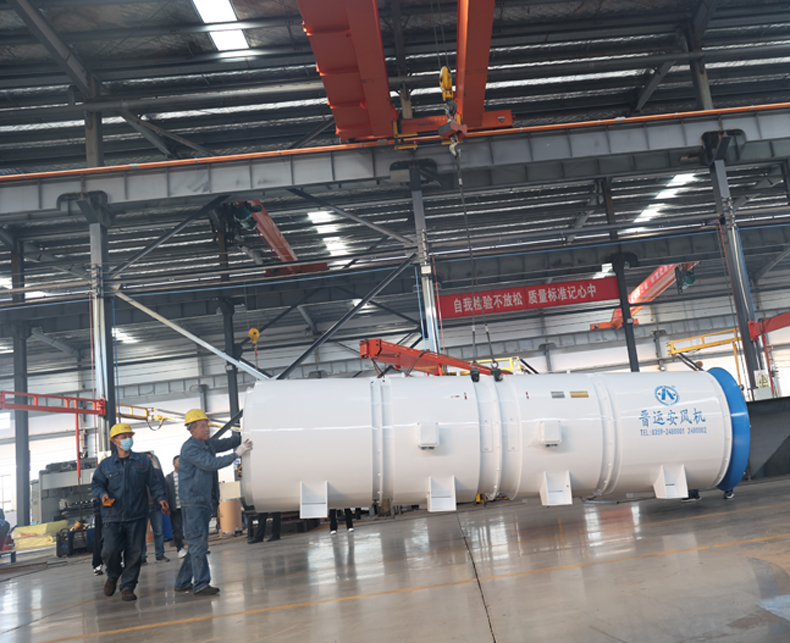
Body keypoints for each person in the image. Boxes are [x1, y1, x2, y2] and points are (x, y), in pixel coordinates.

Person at [174, 409, 252, 596]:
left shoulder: (206, 444)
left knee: (196, 544)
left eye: (207, 425)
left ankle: (182, 582)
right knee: (198, 544)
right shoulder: (190, 448)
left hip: (203, 501)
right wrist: (236, 454)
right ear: (192, 430)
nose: (207, 429)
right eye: (202, 426)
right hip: (193, 502)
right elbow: (211, 463)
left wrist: (246, 435)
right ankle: (201, 584)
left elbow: (225, 443)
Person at [91, 423, 169, 602]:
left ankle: (128, 587)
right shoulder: (106, 465)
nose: (127, 439)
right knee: (109, 551)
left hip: (137, 515)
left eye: (129, 436)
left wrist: (161, 498)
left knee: (134, 553)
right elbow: (96, 484)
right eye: (123, 437)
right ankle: (113, 574)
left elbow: (154, 483)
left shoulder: (142, 461)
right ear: (114, 441)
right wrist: (102, 495)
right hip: (112, 516)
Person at [141, 453, 169, 564]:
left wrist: (164, 501)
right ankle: (142, 556)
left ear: (152, 460)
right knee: (141, 533)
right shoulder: (138, 473)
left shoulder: (157, 473)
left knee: (158, 532)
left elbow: (163, 487)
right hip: (141, 508)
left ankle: (160, 554)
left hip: (155, 506)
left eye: (150, 458)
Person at [166, 455, 186, 558]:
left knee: (191, 527)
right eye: (178, 462)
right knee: (177, 529)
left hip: (187, 506)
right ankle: (180, 548)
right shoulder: (168, 478)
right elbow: (166, 492)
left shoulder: (187, 475)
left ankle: (196, 547)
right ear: (174, 464)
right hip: (175, 507)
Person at [91, 499, 104, 575]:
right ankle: (97, 563)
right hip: (100, 509)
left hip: (115, 509)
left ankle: (118, 560)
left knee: (116, 537)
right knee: (99, 538)